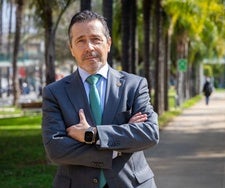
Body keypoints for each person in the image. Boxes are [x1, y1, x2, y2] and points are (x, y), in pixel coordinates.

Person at [41, 10, 159, 188]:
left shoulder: (134, 85)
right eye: (80, 40)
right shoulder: (54, 93)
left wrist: (92, 135)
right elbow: (55, 149)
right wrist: (115, 148)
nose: (89, 47)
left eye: (96, 39)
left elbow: (149, 133)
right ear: (71, 48)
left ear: (108, 44)